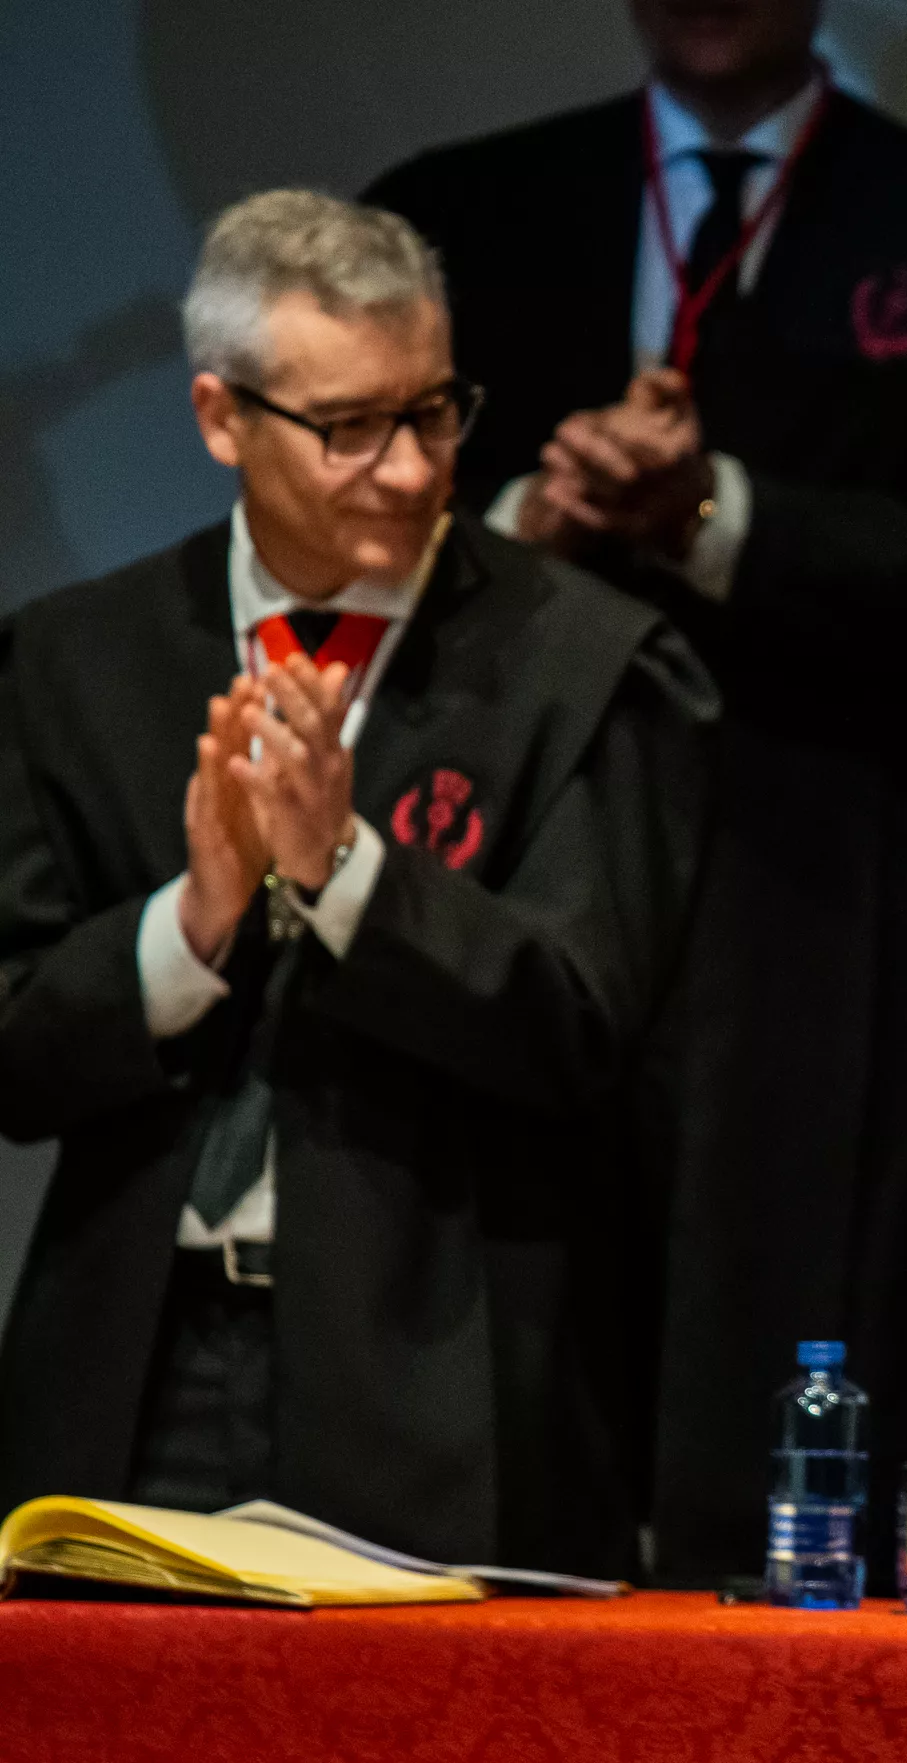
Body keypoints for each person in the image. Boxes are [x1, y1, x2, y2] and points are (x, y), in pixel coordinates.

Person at [366, 0, 907, 1583]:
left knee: (801, 1375)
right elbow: (349, 532)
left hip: (832, 889)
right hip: (523, 867)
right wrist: (531, 515)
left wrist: (713, 511)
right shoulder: (451, 216)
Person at [0, 193, 715, 1571]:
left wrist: (345, 873)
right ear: (221, 419)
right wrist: (188, 928)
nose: (405, 469)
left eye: (434, 413)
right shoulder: (75, 661)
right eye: (349, 428)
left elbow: (584, 1029)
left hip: (444, 1393)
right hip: (129, 1373)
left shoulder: (588, 665)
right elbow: (14, 1046)